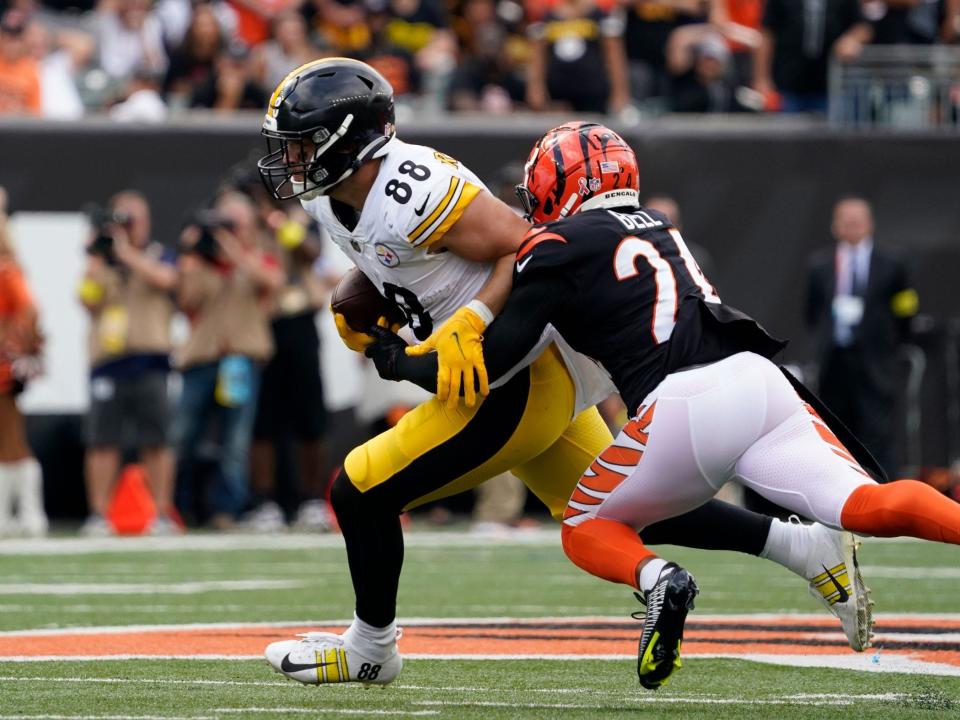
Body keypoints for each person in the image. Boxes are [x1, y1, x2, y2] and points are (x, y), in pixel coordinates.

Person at [256, 60, 872, 688]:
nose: (292, 159)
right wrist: (368, 294)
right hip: (523, 375)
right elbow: (402, 260)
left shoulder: (410, 187)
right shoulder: (336, 201)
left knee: (359, 492)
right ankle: (802, 548)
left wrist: (471, 317)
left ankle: (370, 649)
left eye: (303, 143)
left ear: (350, 139)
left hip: (515, 374)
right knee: (622, 505)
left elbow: (523, 244)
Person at [368, 121, 960, 689]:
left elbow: (495, 360)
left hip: (684, 403)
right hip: (758, 380)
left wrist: (399, 359)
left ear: (560, 182)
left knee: (584, 524)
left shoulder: (556, 245)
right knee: (866, 504)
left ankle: (659, 580)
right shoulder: (656, 224)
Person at [173, 191, 283, 529]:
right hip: (201, 359)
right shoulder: (199, 262)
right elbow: (185, 302)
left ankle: (227, 510)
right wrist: (192, 254)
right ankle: (180, 506)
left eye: (235, 224)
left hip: (240, 361)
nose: (229, 230)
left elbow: (273, 283)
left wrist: (234, 251)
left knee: (234, 440)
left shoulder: (259, 256)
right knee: (183, 435)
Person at [77, 191, 179, 536]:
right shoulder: (101, 262)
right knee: (103, 441)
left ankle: (162, 513)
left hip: (150, 358)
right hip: (109, 361)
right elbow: (86, 301)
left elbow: (168, 281)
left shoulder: (157, 254)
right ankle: (98, 514)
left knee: (156, 440)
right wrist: (97, 255)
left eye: (132, 220)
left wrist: (127, 253)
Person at [804, 196, 918, 477]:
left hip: (875, 362)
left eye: (857, 220)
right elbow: (812, 312)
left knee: (878, 433)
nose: (851, 226)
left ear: (870, 224)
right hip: (835, 362)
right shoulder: (820, 266)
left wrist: (891, 345)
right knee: (837, 433)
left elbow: (906, 309)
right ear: (835, 226)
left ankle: (883, 494)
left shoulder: (893, 264)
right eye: (845, 220)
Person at [0, 186, 46, 537]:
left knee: (12, 438)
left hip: (3, 370)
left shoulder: (7, 272)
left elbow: (30, 311)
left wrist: (11, 343)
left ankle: (29, 514)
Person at [755, 0, 872, 113]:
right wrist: (762, 78)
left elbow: (863, 27)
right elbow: (766, 34)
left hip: (830, 85)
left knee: (830, 131)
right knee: (787, 130)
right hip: (788, 83)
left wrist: (851, 39)